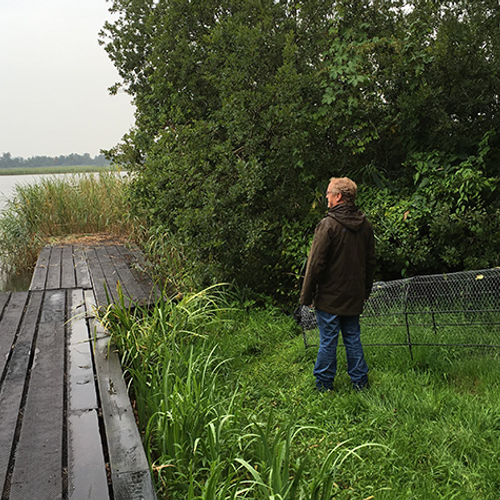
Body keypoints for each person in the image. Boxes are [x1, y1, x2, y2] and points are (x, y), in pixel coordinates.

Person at [300, 177, 376, 391]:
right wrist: (365, 292)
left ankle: (324, 386)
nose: (326, 197)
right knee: (352, 338)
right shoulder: (365, 226)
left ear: (339, 196)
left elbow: (315, 264)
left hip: (329, 297)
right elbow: (370, 262)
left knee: (328, 341)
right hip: (354, 296)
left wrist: (306, 297)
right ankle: (360, 383)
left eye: (329, 193)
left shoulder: (328, 224)